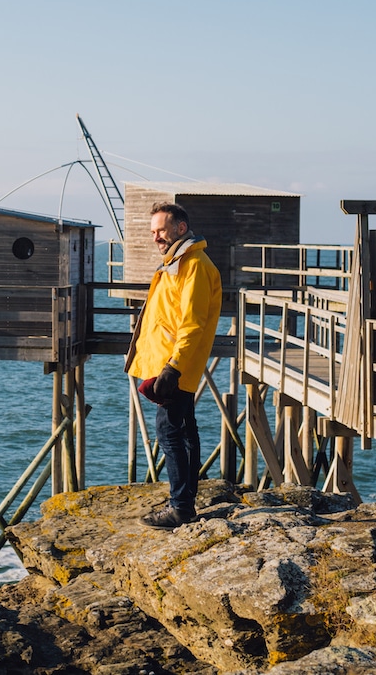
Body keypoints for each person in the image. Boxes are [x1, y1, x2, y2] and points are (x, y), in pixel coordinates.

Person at [125, 201, 223, 529]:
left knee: (169, 432)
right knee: (185, 430)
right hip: (169, 363)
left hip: (174, 366)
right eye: (153, 232)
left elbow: (192, 324)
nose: (156, 237)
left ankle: (180, 507)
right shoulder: (178, 262)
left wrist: (173, 367)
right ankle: (185, 498)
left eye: (161, 230)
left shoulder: (193, 265)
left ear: (180, 228)